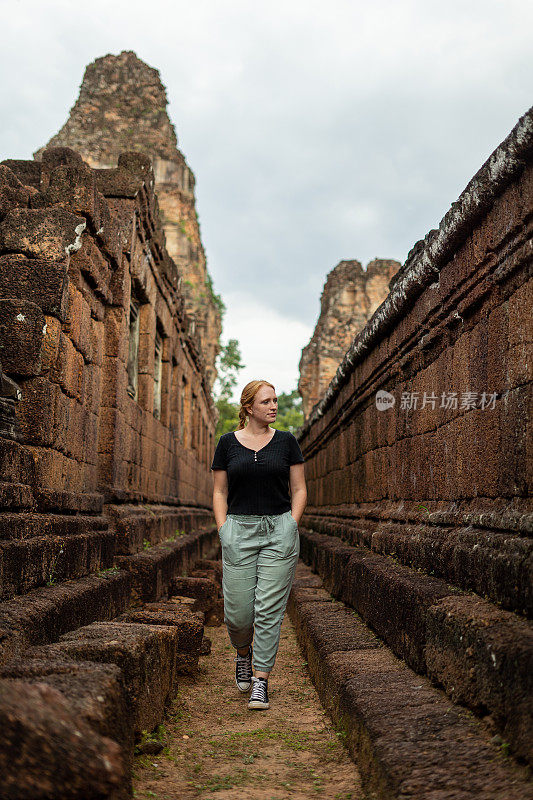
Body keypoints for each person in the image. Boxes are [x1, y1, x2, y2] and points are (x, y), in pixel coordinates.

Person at [211, 379, 307, 710]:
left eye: (276, 401)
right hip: (238, 530)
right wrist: (223, 529)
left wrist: (291, 524)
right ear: (249, 407)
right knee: (238, 613)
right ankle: (242, 653)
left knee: (268, 610)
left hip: (278, 530)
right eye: (266, 401)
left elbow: (299, 489)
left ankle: (260, 680)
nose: (274, 406)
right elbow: (219, 491)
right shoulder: (227, 443)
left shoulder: (286, 442)